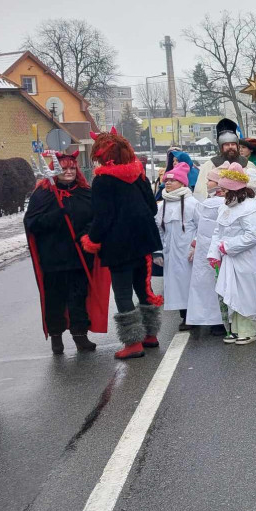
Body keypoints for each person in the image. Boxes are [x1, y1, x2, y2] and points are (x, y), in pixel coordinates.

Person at [81, 132, 164, 360]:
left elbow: (102, 217)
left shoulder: (102, 181)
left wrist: (92, 241)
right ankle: (150, 335)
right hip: (144, 241)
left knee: (123, 293)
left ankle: (133, 342)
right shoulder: (138, 175)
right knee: (143, 287)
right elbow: (153, 208)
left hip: (119, 246)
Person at [25, 150, 103, 354]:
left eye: (72, 168)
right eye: (64, 168)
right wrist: (57, 215)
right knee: (55, 299)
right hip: (53, 257)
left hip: (79, 256)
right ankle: (56, 337)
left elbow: (95, 218)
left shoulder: (86, 193)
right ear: (55, 171)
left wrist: (86, 235)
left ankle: (80, 335)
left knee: (78, 297)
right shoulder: (43, 194)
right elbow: (32, 223)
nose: (68, 172)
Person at [207, 163, 256, 345]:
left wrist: (228, 246)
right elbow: (218, 231)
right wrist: (214, 253)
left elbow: (254, 235)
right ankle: (234, 329)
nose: (221, 192)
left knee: (244, 293)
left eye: (224, 189)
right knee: (229, 292)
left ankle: (249, 330)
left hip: (247, 257)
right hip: (228, 257)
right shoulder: (225, 207)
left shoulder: (250, 207)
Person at [156, 162, 198, 329]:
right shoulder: (162, 205)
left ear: (182, 183)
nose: (168, 183)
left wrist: (196, 245)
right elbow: (158, 228)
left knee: (190, 283)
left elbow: (202, 227)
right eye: (166, 180)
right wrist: (158, 250)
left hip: (188, 252)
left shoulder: (192, 203)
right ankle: (184, 315)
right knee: (175, 285)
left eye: (172, 180)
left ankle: (193, 316)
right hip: (170, 253)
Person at [186, 171, 227, 334]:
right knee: (208, 284)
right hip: (206, 249)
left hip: (213, 249)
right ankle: (210, 319)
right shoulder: (209, 201)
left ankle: (217, 320)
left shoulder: (216, 203)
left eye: (210, 180)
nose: (207, 182)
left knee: (212, 284)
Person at [194, 119, 256, 201]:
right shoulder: (210, 165)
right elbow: (201, 191)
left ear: (237, 146)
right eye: (226, 145)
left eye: (233, 144)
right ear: (221, 147)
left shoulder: (247, 164)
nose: (230, 147)